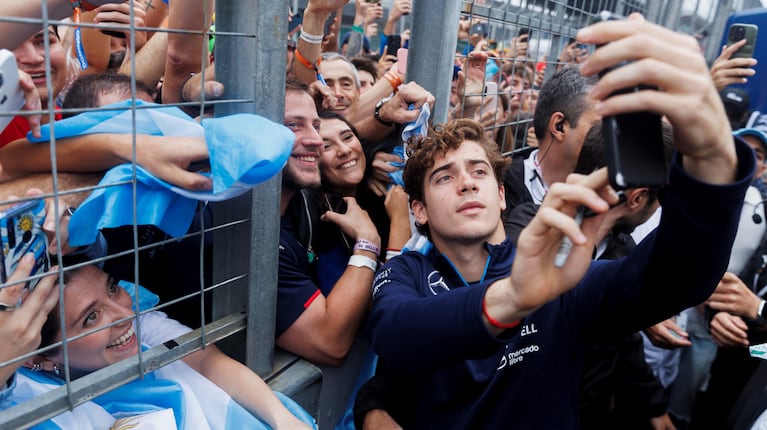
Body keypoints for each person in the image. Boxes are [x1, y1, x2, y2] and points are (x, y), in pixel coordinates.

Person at [362, 13, 751, 428]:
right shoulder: (407, 273)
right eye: (444, 177)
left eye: (479, 172)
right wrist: (514, 297)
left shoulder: (560, 274)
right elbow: (396, 334)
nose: (466, 184)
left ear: (500, 193)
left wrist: (711, 161)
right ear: (418, 209)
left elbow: (676, 279)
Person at [0, 257, 315, 429]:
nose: (125, 314)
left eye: (112, 289)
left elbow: (207, 361)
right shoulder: (32, 408)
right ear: (33, 356)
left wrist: (282, 420)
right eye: (91, 317)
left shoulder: (142, 325)